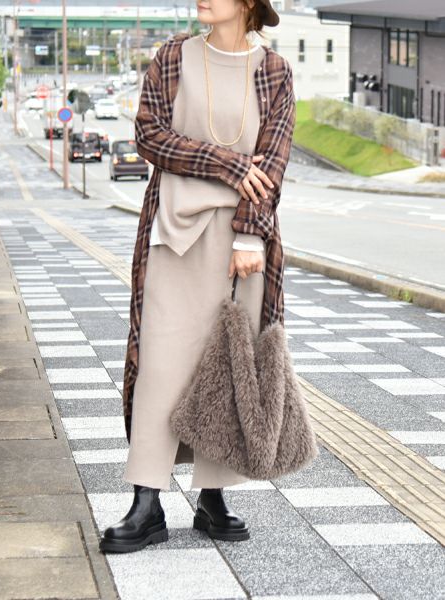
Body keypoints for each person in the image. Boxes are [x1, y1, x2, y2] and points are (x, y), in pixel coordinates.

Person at [100, 0, 296, 554]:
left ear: (249, 3)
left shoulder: (274, 72)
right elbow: (149, 136)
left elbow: (273, 163)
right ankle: (146, 500)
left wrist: (251, 235)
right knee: (159, 363)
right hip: (173, 232)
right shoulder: (172, 57)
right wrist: (229, 164)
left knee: (227, 364)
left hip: (240, 243)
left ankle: (213, 496)